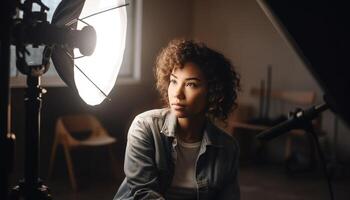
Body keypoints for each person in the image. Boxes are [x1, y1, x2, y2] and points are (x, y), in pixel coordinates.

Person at [114, 39, 241, 200]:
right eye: (174, 81)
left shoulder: (227, 147)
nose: (177, 93)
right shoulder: (145, 127)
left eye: (191, 84)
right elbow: (144, 194)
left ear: (213, 93)